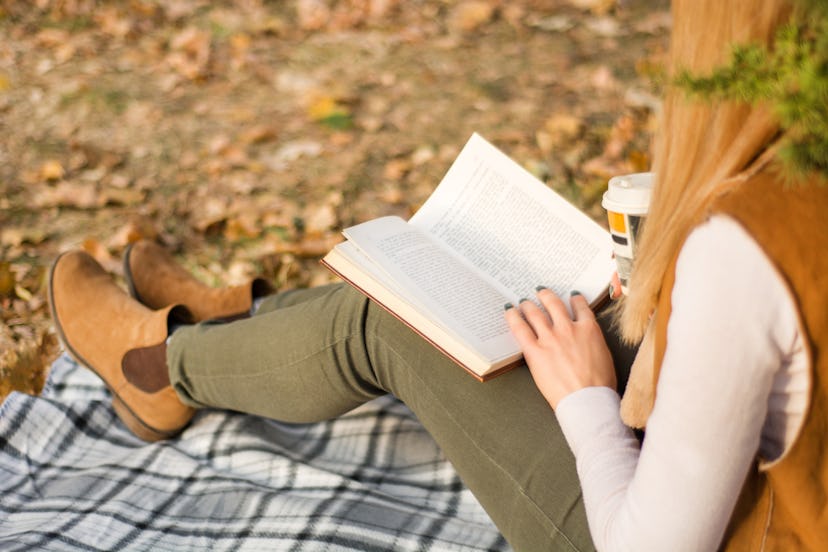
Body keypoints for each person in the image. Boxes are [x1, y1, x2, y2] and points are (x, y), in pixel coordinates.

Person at [47, 0, 828, 550]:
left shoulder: (748, 240)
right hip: (759, 482)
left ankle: (162, 366)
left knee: (389, 318)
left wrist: (586, 397)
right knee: (446, 282)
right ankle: (236, 322)